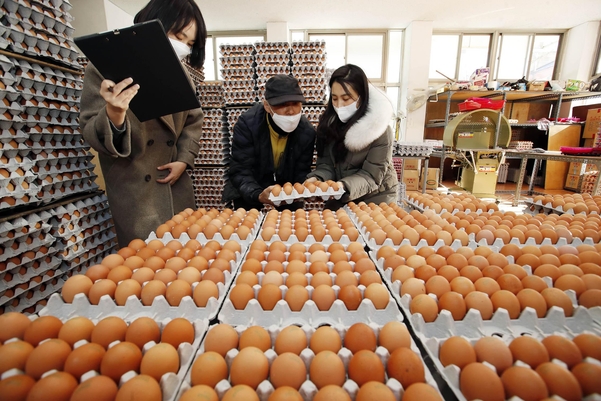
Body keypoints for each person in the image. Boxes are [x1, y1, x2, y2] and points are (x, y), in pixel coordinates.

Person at [79, 0, 207, 248]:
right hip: (137, 187)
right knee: (146, 262)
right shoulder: (105, 67)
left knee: (185, 254)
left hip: (173, 182)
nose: (183, 47)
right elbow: (91, 132)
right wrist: (115, 112)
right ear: (152, 25)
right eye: (178, 36)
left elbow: (194, 120)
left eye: (190, 44)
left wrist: (184, 159)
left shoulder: (181, 74)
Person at [305, 64, 399, 210]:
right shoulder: (329, 126)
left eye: (346, 98)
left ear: (361, 97)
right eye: (334, 99)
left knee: (371, 231)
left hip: (377, 197)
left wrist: (341, 186)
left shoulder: (379, 130)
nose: (339, 105)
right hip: (342, 193)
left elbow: (371, 176)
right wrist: (318, 178)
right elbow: (326, 165)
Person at [222, 74, 316, 210]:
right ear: (267, 106)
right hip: (250, 191)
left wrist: (301, 189)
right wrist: (258, 195)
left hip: (286, 196)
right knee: (249, 225)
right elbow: (241, 170)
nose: (290, 111)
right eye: (282, 104)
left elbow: (301, 172)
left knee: (288, 228)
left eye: (295, 104)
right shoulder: (248, 125)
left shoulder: (306, 132)